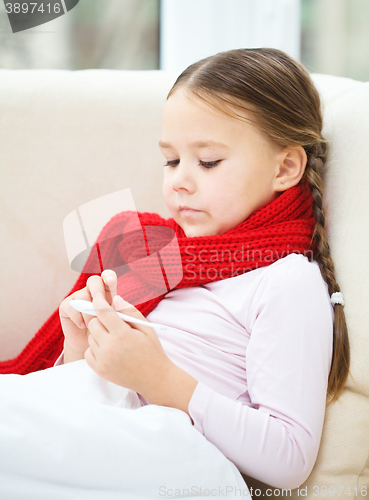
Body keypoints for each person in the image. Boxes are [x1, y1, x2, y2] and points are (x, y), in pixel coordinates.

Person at [1, 48, 351, 490]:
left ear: (285, 167)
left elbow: (290, 458)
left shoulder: (287, 279)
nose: (180, 180)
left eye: (207, 161)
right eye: (171, 160)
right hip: (106, 430)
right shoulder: (161, 260)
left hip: (174, 452)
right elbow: (86, 399)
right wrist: (81, 350)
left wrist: (160, 377)